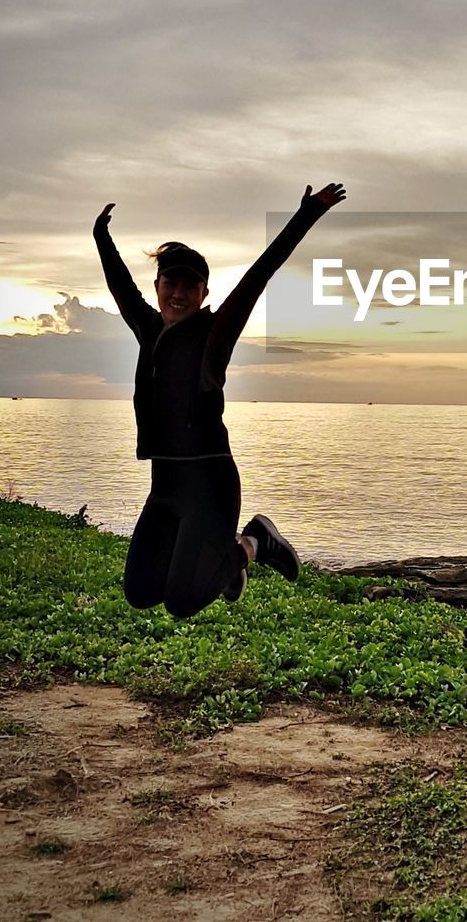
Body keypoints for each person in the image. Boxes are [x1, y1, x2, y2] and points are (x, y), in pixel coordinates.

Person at [93, 183, 346, 619]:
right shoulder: (148, 329)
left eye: (190, 288)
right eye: (170, 284)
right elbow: (120, 287)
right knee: (140, 592)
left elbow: (259, 275)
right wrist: (101, 237)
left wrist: (307, 213)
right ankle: (225, 566)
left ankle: (255, 541)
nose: (178, 294)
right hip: (165, 488)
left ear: (204, 294)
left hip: (210, 486)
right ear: (157, 286)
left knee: (182, 601)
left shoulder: (215, 334)